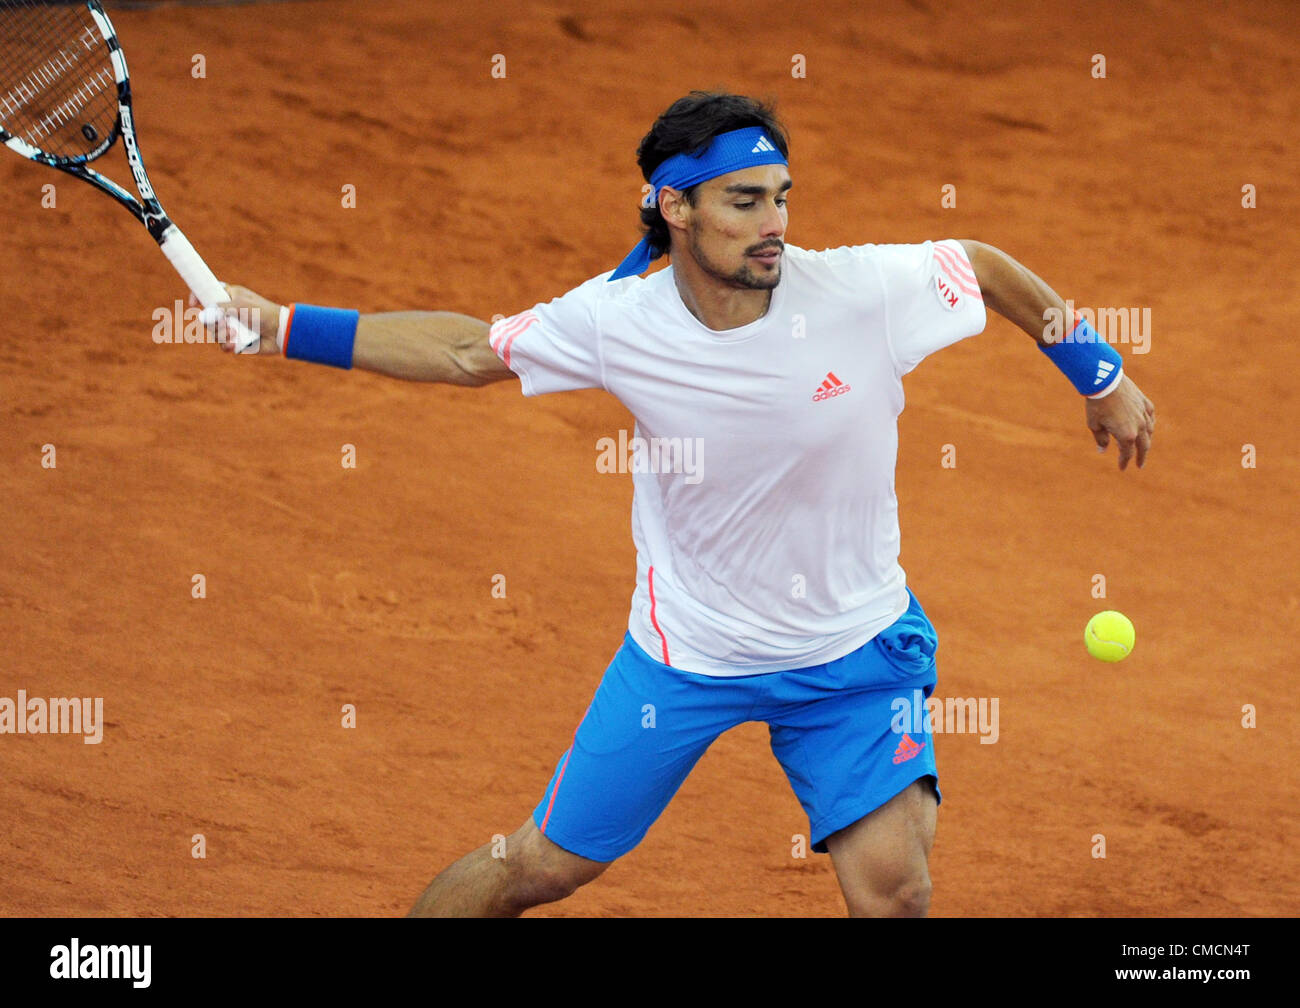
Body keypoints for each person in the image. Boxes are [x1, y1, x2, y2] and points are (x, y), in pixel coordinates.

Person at [205, 91, 1155, 917]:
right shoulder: (620, 322)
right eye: (745, 201)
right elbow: (466, 353)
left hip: (854, 651)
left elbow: (982, 268)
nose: (773, 221)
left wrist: (1098, 370)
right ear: (676, 208)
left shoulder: (858, 291)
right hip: (688, 658)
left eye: (781, 196)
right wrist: (283, 327)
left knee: (895, 891)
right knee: (536, 869)